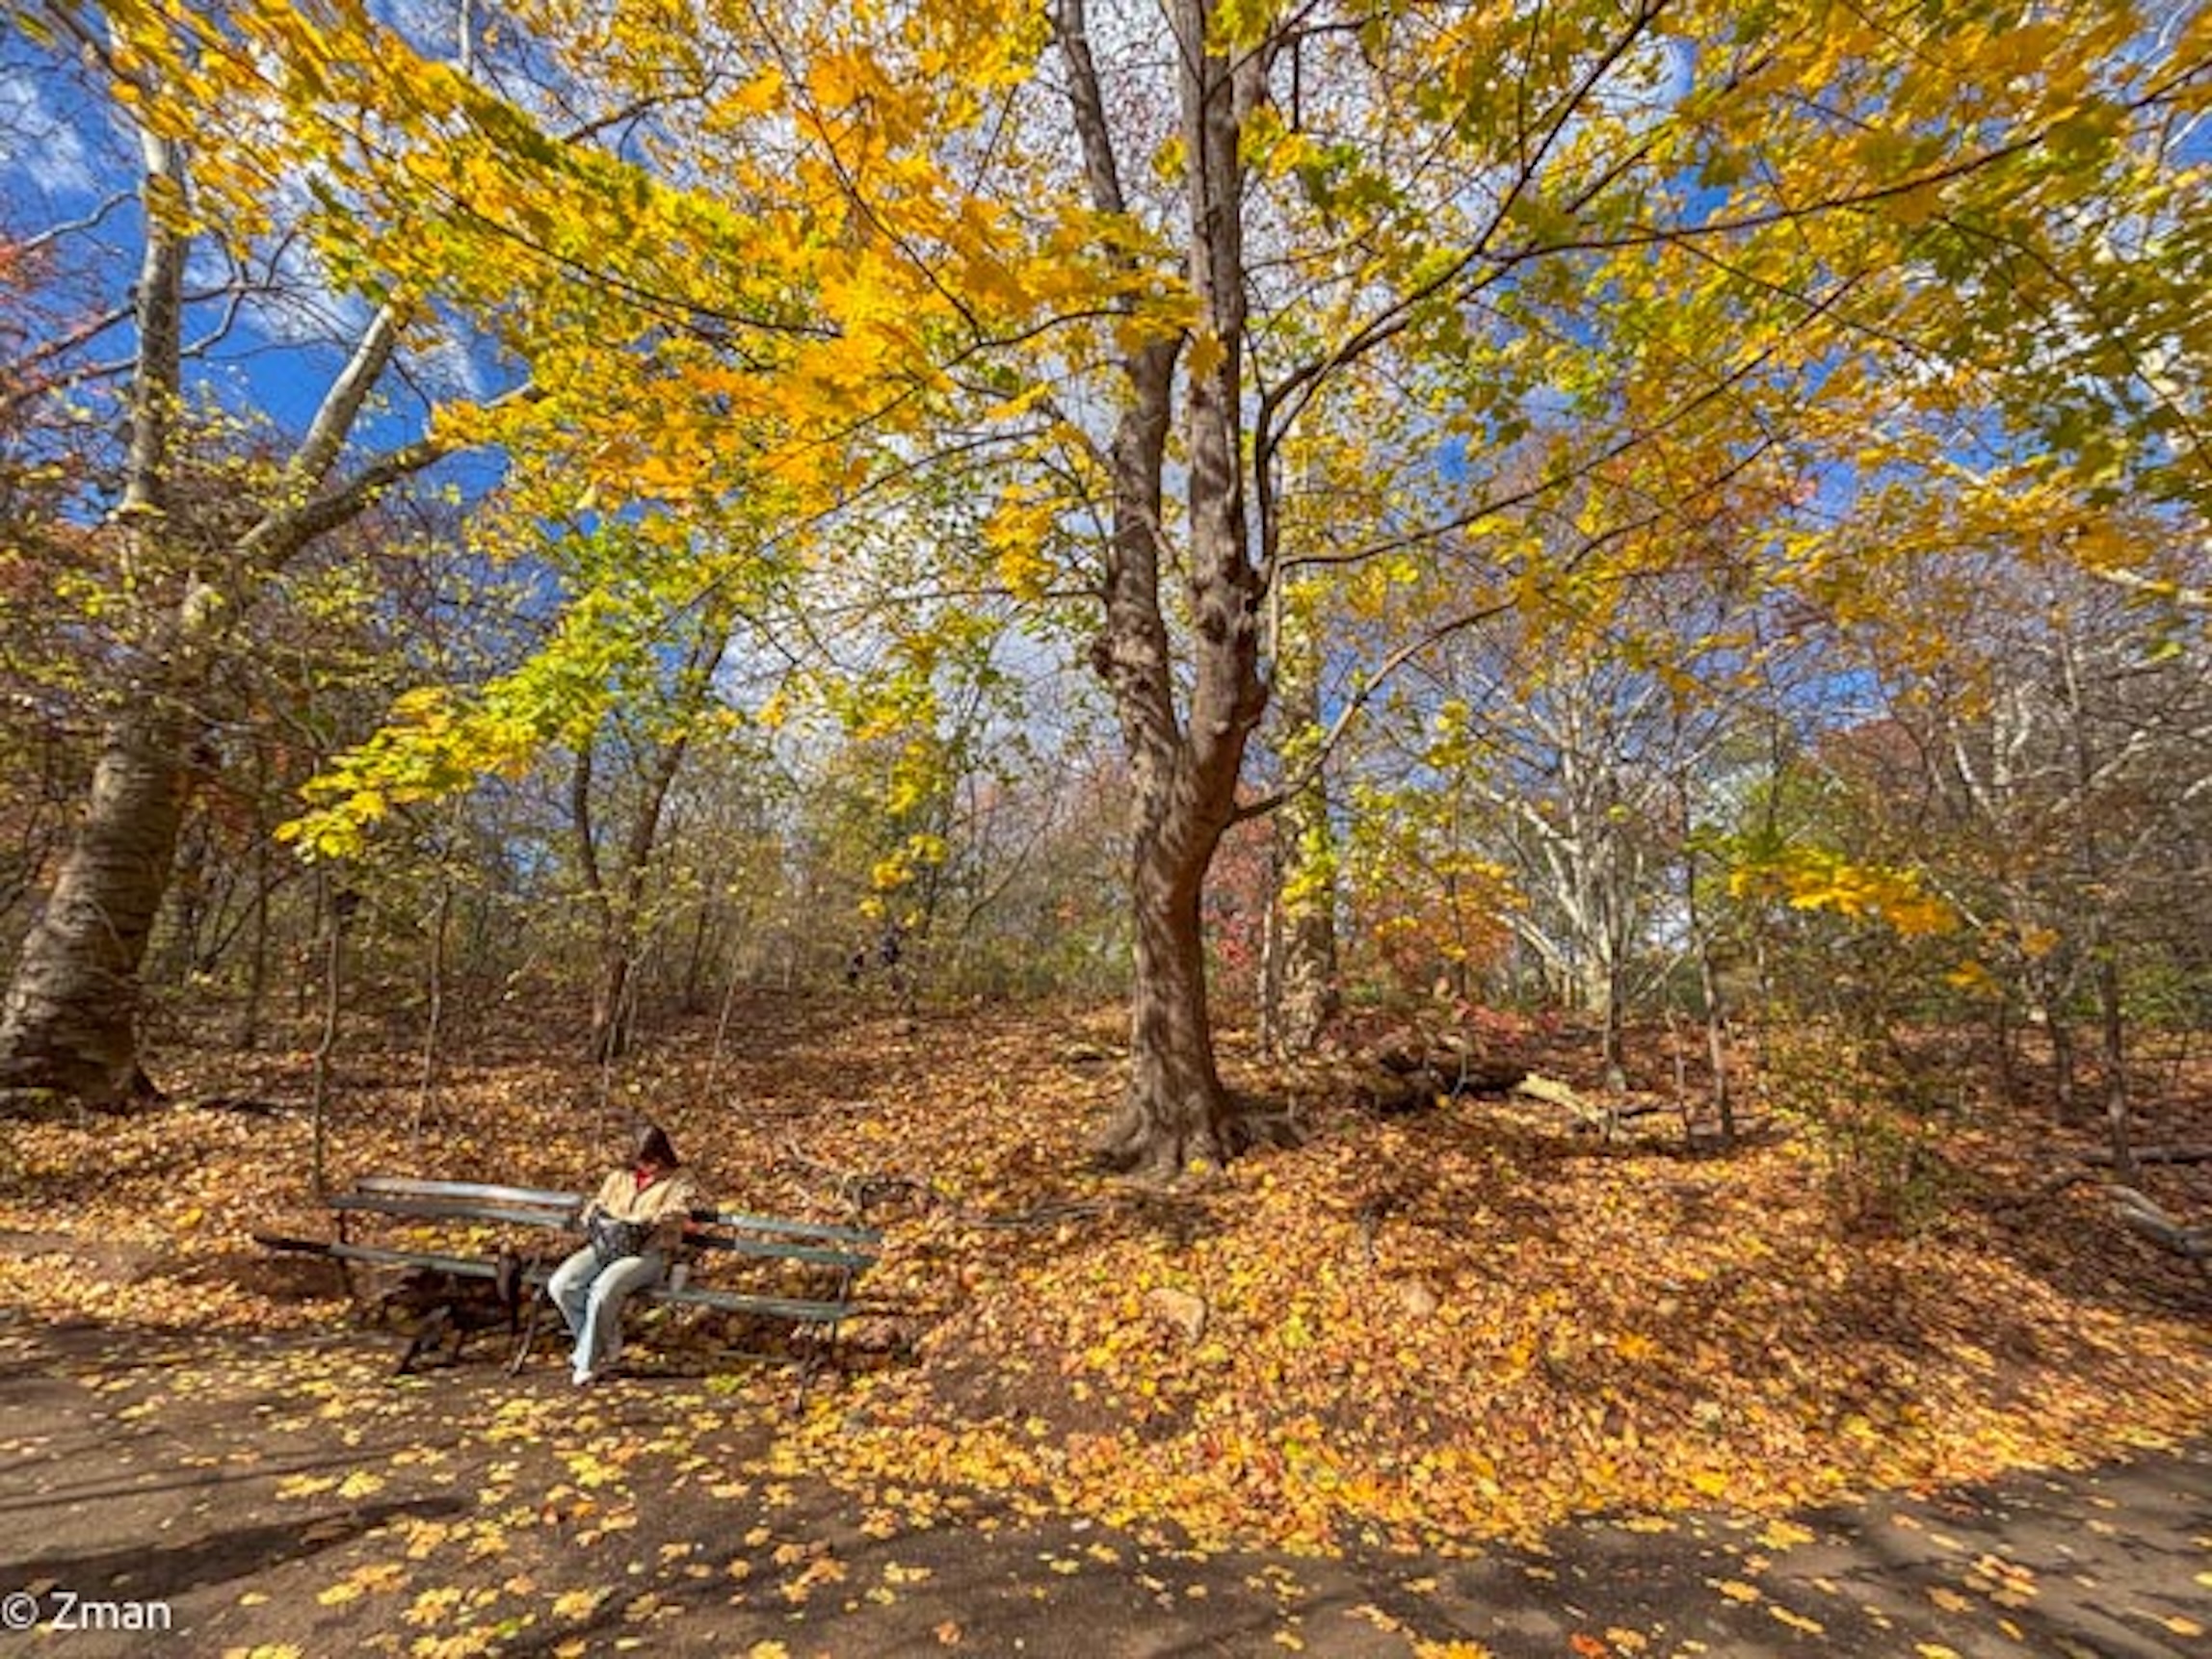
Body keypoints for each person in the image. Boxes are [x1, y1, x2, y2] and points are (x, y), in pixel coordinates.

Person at [546, 1123, 701, 1386]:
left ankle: (587, 1363)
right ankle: (606, 1339)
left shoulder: (680, 1179)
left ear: (662, 1156)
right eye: (641, 1161)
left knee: (604, 1289)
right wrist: (594, 1215)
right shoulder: (619, 1177)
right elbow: (598, 1204)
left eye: (651, 1161)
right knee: (561, 1284)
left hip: (648, 1252)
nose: (646, 1167)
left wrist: (647, 1220)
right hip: (608, 1245)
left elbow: (680, 1211)